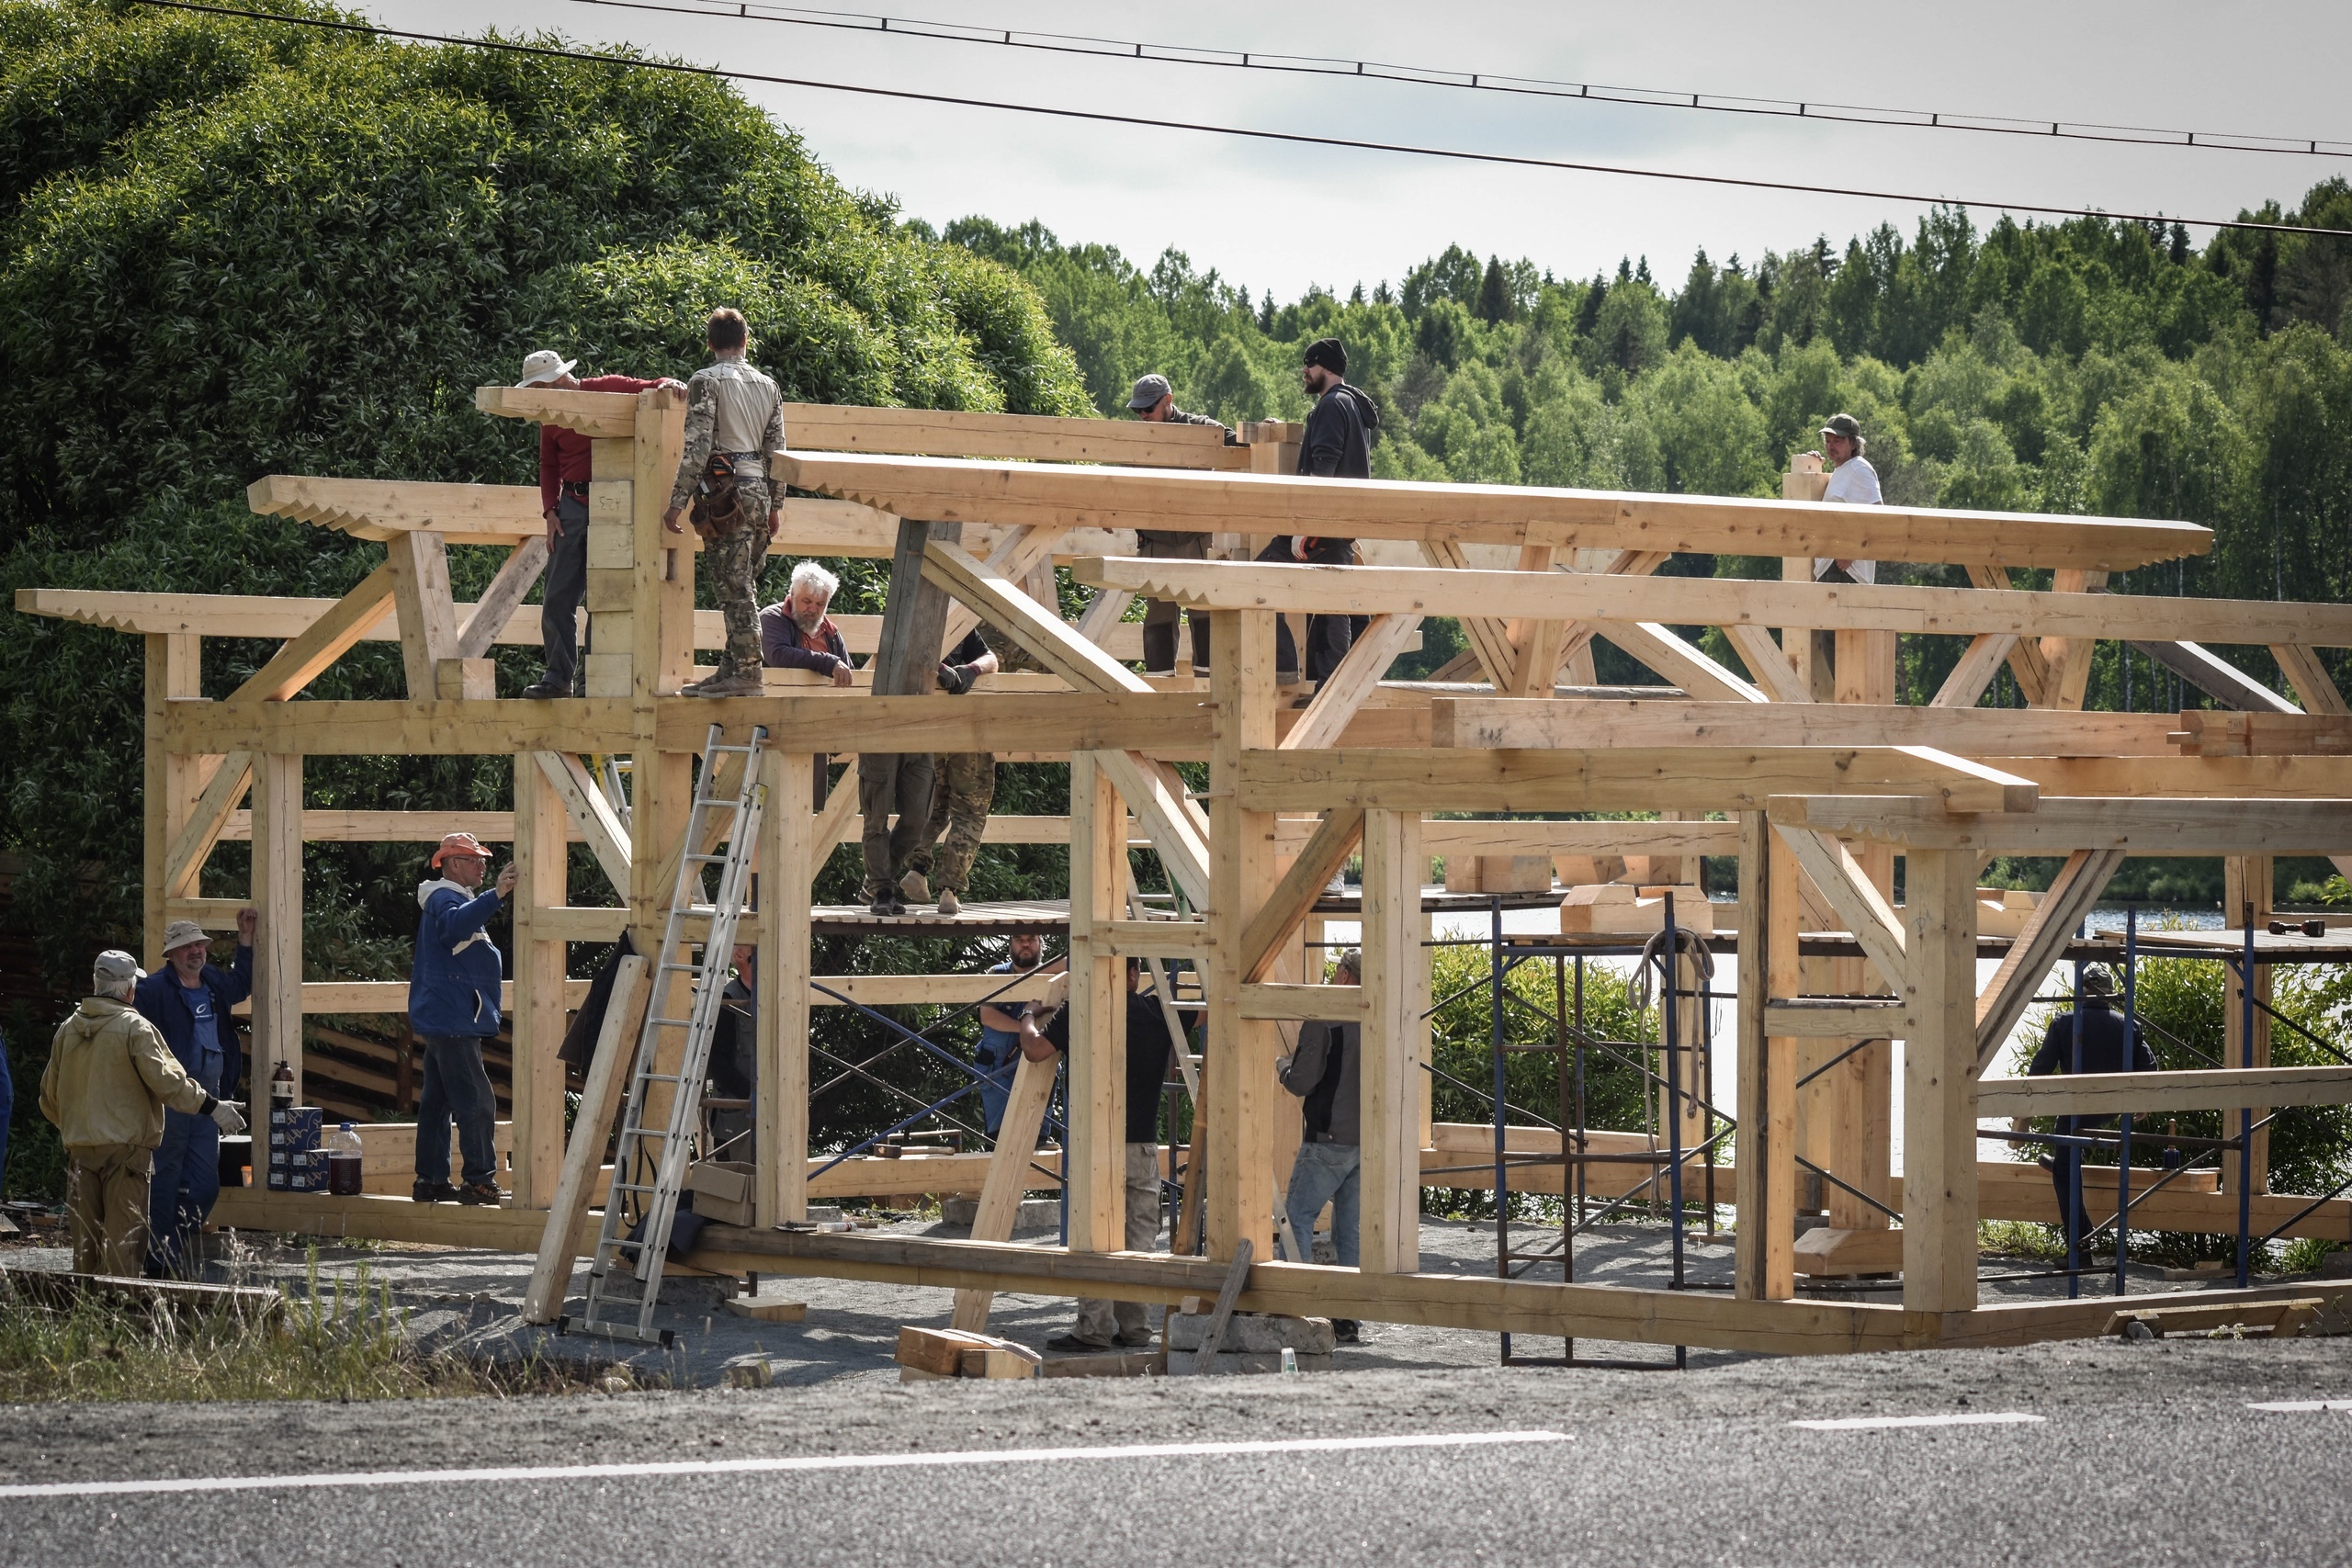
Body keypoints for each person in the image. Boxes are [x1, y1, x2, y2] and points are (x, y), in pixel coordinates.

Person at [41, 950, 245, 1277]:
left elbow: (49, 1099)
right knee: (123, 1251)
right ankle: (121, 1321)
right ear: (129, 990)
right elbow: (170, 1085)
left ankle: (85, 1323)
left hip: (80, 1151)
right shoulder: (135, 1027)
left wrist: (80, 1127)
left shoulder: (67, 1029)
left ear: (96, 984)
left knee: (85, 1251)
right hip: (127, 1154)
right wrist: (214, 1107)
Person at [513, 350, 684, 699]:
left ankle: (594, 683)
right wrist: (550, 512)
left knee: (605, 597)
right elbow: (548, 465)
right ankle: (558, 678)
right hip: (572, 507)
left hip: (617, 505)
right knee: (557, 597)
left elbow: (651, 386)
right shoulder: (549, 416)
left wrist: (670, 384)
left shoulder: (605, 388)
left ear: (560, 379)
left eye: (541, 387)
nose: (538, 395)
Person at [1029, 957, 1181, 1352]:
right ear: (1133, 976)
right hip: (1142, 1147)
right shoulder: (1156, 1014)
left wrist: (1031, 1015)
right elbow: (1202, 1015)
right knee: (1138, 1240)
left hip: (1097, 1144)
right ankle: (1134, 1329)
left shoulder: (1081, 1010)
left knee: (1093, 1238)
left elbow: (1033, 1050)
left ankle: (1093, 1330)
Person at [664, 308, 787, 698]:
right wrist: (776, 504)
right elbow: (777, 451)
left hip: (724, 493)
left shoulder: (704, 381)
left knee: (734, 590)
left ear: (710, 343)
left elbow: (698, 446)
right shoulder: (769, 385)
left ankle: (748, 676)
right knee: (742, 583)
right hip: (758, 492)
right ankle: (730, 670)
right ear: (745, 341)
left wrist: (676, 502)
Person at [132, 910, 256, 1275]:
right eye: (186, 947)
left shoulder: (213, 982)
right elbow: (132, 1037)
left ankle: (170, 1247)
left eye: (200, 945)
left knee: (204, 1186)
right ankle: (158, 1261)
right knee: (166, 1178)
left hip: (211, 1101)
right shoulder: (153, 990)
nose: (196, 952)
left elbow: (242, 984)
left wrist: (245, 939)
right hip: (171, 1099)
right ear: (171, 954)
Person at [1261, 338, 1380, 691]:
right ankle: (1329, 687)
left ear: (1325, 368)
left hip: (1322, 522)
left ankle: (1293, 672)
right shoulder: (1352, 406)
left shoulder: (1331, 407)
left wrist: (1304, 528)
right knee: (1334, 604)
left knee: (1254, 580)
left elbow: (1324, 468)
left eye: (1309, 364)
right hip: (1341, 522)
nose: (1304, 370)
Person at [2013, 964, 2155, 1250]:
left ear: (2083, 991)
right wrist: (2143, 1102)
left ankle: (2080, 1246)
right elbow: (2149, 1067)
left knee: (2064, 1172)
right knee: (2065, 1167)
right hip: (2113, 1109)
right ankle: (2084, 1225)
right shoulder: (2128, 1024)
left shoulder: (2065, 1023)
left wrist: (2023, 1113)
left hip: (2076, 1108)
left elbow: (2039, 1071)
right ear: (2109, 994)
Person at [411, 832, 518, 1204]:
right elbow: (455, 927)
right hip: (453, 1018)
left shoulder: (448, 897)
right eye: (474, 860)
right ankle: (478, 1181)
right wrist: (497, 895)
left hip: (447, 1016)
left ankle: (431, 1181)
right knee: (476, 1100)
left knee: (437, 1103)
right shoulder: (445, 897)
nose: (483, 866)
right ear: (452, 864)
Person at [1278, 948, 1364, 1343]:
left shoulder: (1323, 1020)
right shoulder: (1376, 1016)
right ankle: (1346, 1318)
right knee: (1349, 1230)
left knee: (1295, 1219)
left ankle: (1297, 1309)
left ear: (1345, 976)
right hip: (1364, 1142)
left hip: (1326, 1141)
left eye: (1337, 971)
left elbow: (1302, 1082)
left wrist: (1283, 1069)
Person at [1127, 373, 1234, 677]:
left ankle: (1208, 685)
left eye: (1147, 409)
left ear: (1168, 401)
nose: (1143, 416)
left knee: (1204, 615)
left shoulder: (1201, 429)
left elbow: (1239, 442)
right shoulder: (1133, 439)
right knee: (1159, 619)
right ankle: (1159, 688)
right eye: (1138, 411)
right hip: (1155, 541)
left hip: (1194, 540)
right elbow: (1114, 477)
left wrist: (1263, 432)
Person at [972, 932, 1057, 1137]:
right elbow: (988, 1016)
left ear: (1040, 943)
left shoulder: (1052, 976)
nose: (1025, 944)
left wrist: (1037, 973)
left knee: (1037, 1134)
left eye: (1031, 939)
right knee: (1000, 1135)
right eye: (1019, 940)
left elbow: (1072, 962)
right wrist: (1027, 1026)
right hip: (998, 1066)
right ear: (1010, 945)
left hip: (1039, 1061)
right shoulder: (996, 974)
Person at [1805, 412, 1881, 585]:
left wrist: (1852, 552)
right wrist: (1815, 466)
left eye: (1837, 441)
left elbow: (1879, 517)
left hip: (1845, 571)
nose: (1830, 446)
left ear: (1853, 443)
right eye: (1827, 441)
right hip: (1830, 568)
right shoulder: (1843, 470)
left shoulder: (1860, 470)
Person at [760, 561, 855, 687]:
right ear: (793, 595)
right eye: (807, 601)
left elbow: (848, 673)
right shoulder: (772, 617)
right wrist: (828, 662)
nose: (813, 609)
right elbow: (778, 656)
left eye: (820, 604)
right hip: (776, 702)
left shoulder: (830, 631)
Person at [706, 944, 758, 1160]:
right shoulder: (728, 1000)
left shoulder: (774, 997)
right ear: (739, 957)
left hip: (767, 1117)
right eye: (758, 956)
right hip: (735, 1120)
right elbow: (716, 1063)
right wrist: (752, 1094)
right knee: (736, 1186)